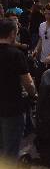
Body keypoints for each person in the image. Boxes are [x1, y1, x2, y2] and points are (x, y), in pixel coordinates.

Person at [0, 19, 36, 159]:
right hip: (12, 107)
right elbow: (28, 83)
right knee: (11, 149)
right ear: (12, 34)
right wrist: (33, 93)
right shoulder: (16, 54)